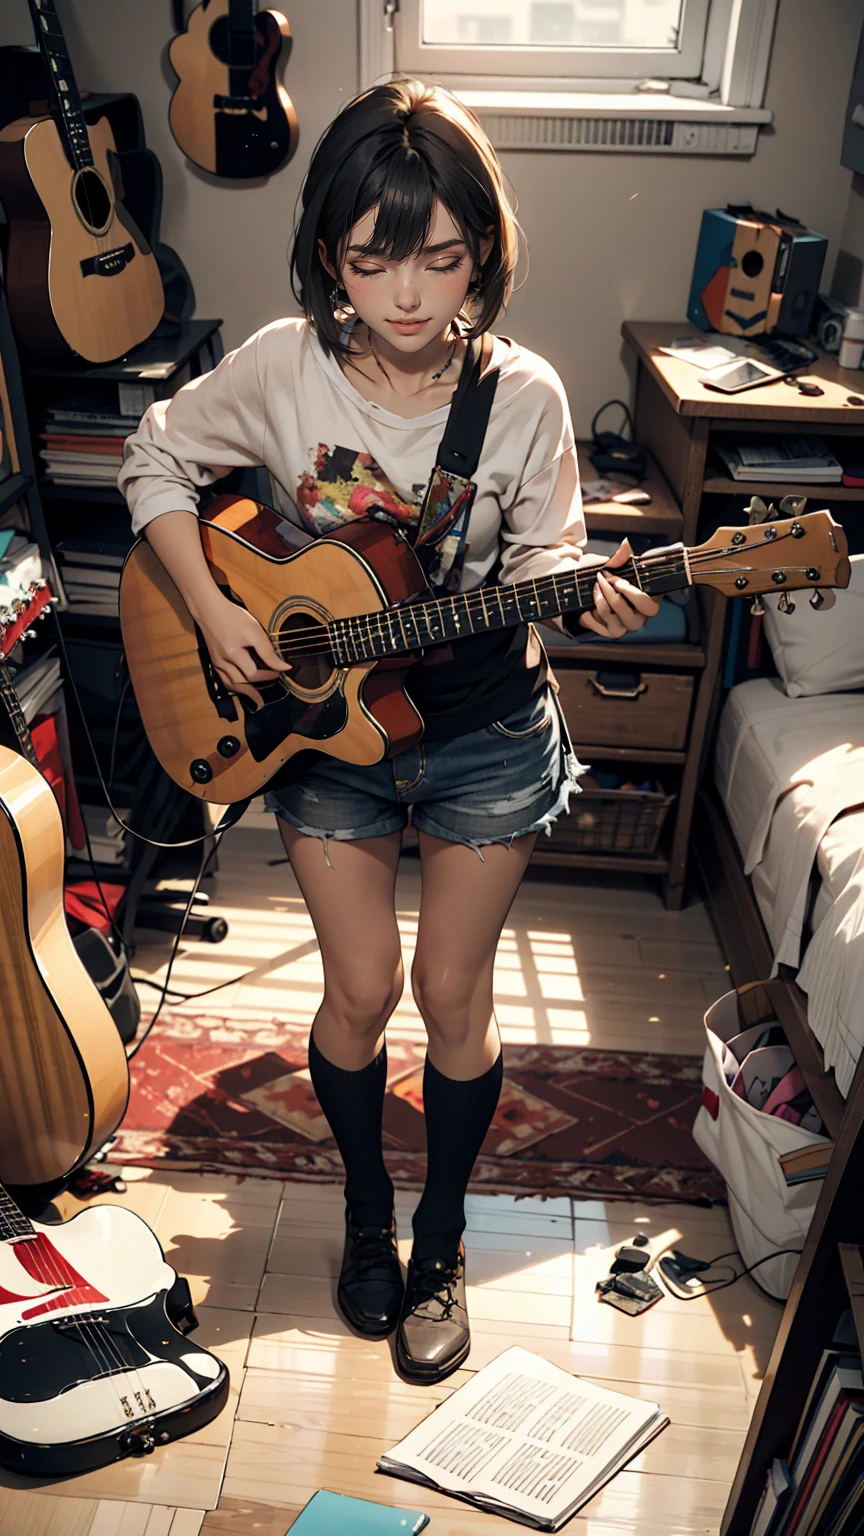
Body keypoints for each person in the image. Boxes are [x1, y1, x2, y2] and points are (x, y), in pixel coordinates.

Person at [119, 79, 659, 1385]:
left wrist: (600, 600)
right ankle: (369, 1212)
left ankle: (444, 1241)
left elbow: (552, 562)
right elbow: (154, 457)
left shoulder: (519, 397)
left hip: (477, 729)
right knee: (357, 993)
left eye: (442, 258)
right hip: (316, 730)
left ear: (484, 251)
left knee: (450, 995)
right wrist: (216, 607)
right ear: (328, 254)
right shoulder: (281, 367)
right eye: (373, 259)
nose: (408, 294)